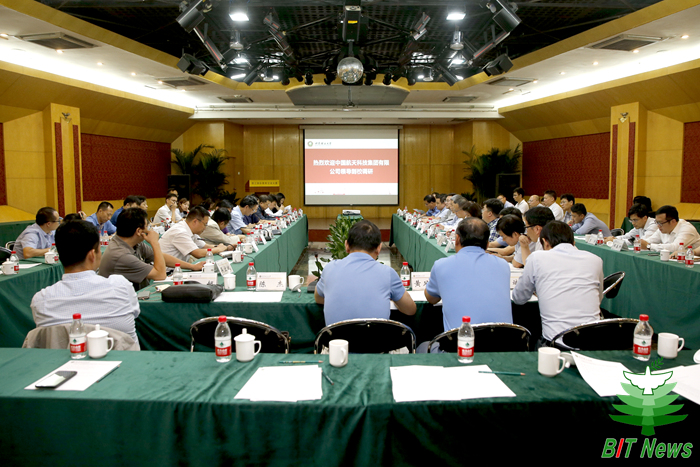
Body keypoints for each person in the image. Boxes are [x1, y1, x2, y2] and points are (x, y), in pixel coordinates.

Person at [30, 220, 141, 344]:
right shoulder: (121, 286)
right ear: (92, 255)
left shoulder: (41, 301)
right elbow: (134, 315)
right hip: (122, 356)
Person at [512, 221, 604, 345]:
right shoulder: (595, 260)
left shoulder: (536, 258)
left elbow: (519, 298)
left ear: (545, 242)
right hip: (593, 341)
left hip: (556, 343)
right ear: (573, 242)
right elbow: (598, 298)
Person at [315, 220, 416, 325]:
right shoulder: (387, 273)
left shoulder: (330, 268)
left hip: (336, 336)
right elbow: (410, 309)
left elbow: (318, 298)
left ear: (346, 245)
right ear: (379, 248)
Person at [424, 218, 512, 331]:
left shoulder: (441, 265)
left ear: (457, 239)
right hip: (505, 340)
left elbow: (431, 299)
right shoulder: (503, 265)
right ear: (487, 244)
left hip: (462, 340)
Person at [99, 207, 167, 291]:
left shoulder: (134, 243)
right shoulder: (122, 255)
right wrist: (155, 243)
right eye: (147, 226)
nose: (149, 230)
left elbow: (159, 256)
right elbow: (160, 275)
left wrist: (184, 265)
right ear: (139, 231)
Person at [160, 206, 232, 262]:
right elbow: (198, 253)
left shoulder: (190, 230)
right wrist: (218, 249)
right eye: (205, 224)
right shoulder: (180, 231)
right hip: (167, 272)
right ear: (195, 221)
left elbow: (204, 246)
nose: (205, 228)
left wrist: (225, 247)